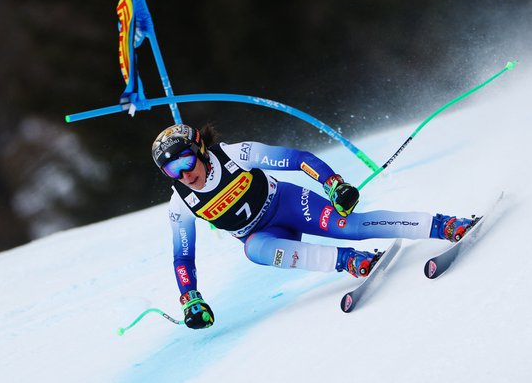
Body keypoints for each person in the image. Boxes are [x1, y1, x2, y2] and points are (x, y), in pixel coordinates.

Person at [152, 124, 477, 329]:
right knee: (255, 250)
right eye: (171, 170)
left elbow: (296, 158)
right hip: (264, 234)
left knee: (352, 226)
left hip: (290, 205)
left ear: (201, 151)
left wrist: (333, 184)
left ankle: (443, 225)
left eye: (185, 161)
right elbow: (183, 258)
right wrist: (190, 298)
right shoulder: (181, 203)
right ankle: (350, 261)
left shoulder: (237, 155)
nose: (183, 175)